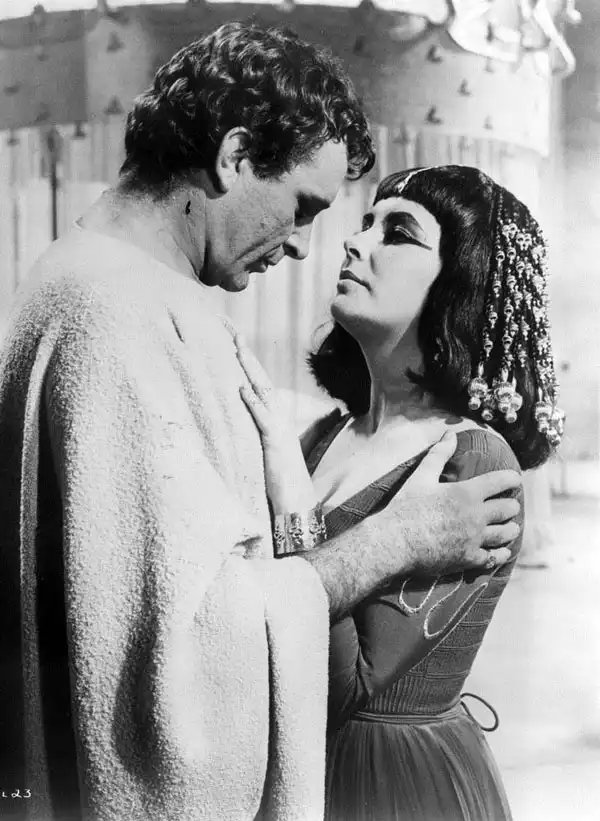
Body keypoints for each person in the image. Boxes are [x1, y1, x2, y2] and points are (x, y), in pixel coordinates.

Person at [0, 24, 521, 821]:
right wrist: (393, 540)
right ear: (236, 156)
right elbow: (181, 662)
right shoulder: (115, 319)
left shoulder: (127, 293)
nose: (314, 247)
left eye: (395, 232)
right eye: (303, 207)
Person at [239, 165, 563, 821]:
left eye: (398, 232)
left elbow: (340, 689)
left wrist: (290, 497)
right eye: (366, 224)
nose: (355, 242)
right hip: (293, 770)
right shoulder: (323, 435)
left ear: (458, 285)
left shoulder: (474, 461)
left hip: (389, 784)